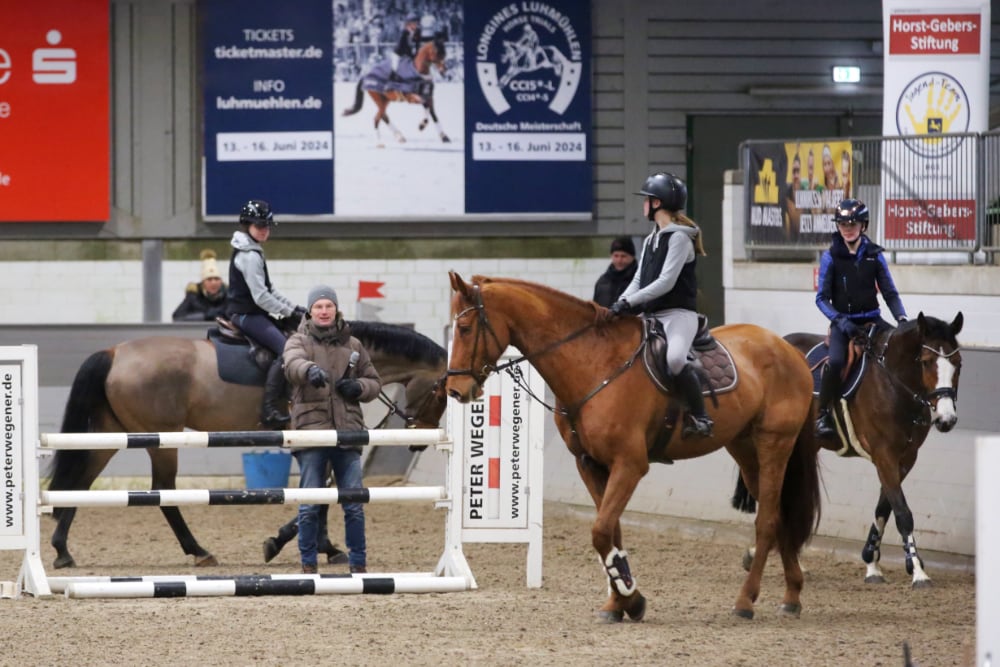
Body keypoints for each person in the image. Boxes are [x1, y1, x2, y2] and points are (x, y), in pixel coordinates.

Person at [606, 172, 714, 438]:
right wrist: (620, 302)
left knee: (675, 359)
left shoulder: (679, 239)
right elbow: (639, 279)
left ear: (657, 204)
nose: (643, 205)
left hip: (679, 315)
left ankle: (701, 417)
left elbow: (666, 282)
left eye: (647, 200)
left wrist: (631, 301)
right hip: (652, 315)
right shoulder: (650, 239)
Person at [284, 285, 382, 574]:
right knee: (309, 504)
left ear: (336, 309)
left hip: (347, 433)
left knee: (354, 504)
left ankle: (358, 563)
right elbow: (291, 364)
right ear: (310, 311)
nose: (324, 311)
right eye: (319, 306)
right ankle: (308, 564)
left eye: (329, 306)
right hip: (311, 433)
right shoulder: (298, 340)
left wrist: (359, 387)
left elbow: (374, 382)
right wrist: (308, 370)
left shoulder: (354, 345)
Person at [814, 198, 908, 439]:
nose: (848, 228)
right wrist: (840, 321)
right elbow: (821, 298)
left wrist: (902, 319)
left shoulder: (875, 256)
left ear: (863, 226)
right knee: (836, 362)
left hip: (873, 320)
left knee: (903, 350)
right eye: (843, 224)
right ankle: (823, 414)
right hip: (843, 324)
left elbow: (890, 293)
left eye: (853, 224)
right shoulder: (830, 257)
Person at [226, 199, 307, 429]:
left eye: (267, 226)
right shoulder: (249, 256)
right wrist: (289, 311)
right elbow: (261, 297)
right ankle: (269, 409)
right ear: (248, 225)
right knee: (286, 350)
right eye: (260, 226)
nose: (264, 230)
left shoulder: (253, 250)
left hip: (253, 312)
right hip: (246, 315)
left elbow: (270, 290)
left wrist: (295, 308)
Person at [171, 249, 228, 322]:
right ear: (203, 282)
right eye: (209, 279)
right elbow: (177, 317)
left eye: (216, 279)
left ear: (221, 281)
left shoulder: (229, 296)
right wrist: (204, 316)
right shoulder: (194, 297)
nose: (213, 283)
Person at [593, 236, 637, 307]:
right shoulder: (602, 282)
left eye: (623, 256)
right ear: (611, 256)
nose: (619, 260)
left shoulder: (639, 281)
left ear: (632, 257)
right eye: (616, 256)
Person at [391, 14, 421, 80]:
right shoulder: (404, 32)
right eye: (414, 23)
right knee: (395, 67)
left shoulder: (417, 31)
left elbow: (417, 44)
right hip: (399, 51)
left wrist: (416, 53)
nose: (416, 25)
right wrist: (409, 54)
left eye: (416, 23)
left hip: (410, 51)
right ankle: (393, 76)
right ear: (409, 24)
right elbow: (401, 45)